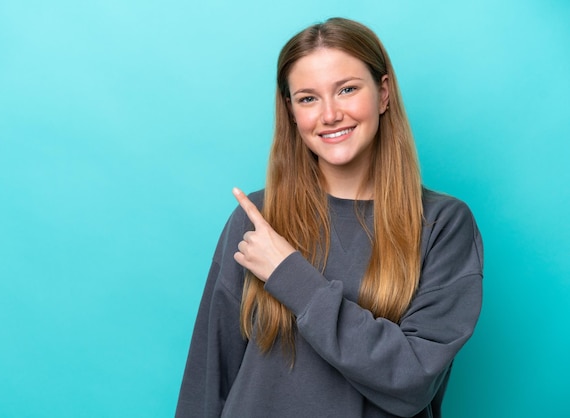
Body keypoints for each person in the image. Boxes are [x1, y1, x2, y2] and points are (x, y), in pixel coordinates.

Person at [175, 17, 483, 418]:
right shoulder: (257, 222)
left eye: (348, 89)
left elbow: (412, 378)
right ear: (290, 112)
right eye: (308, 98)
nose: (330, 114)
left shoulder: (442, 225)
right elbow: (207, 379)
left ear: (384, 93)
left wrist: (289, 275)